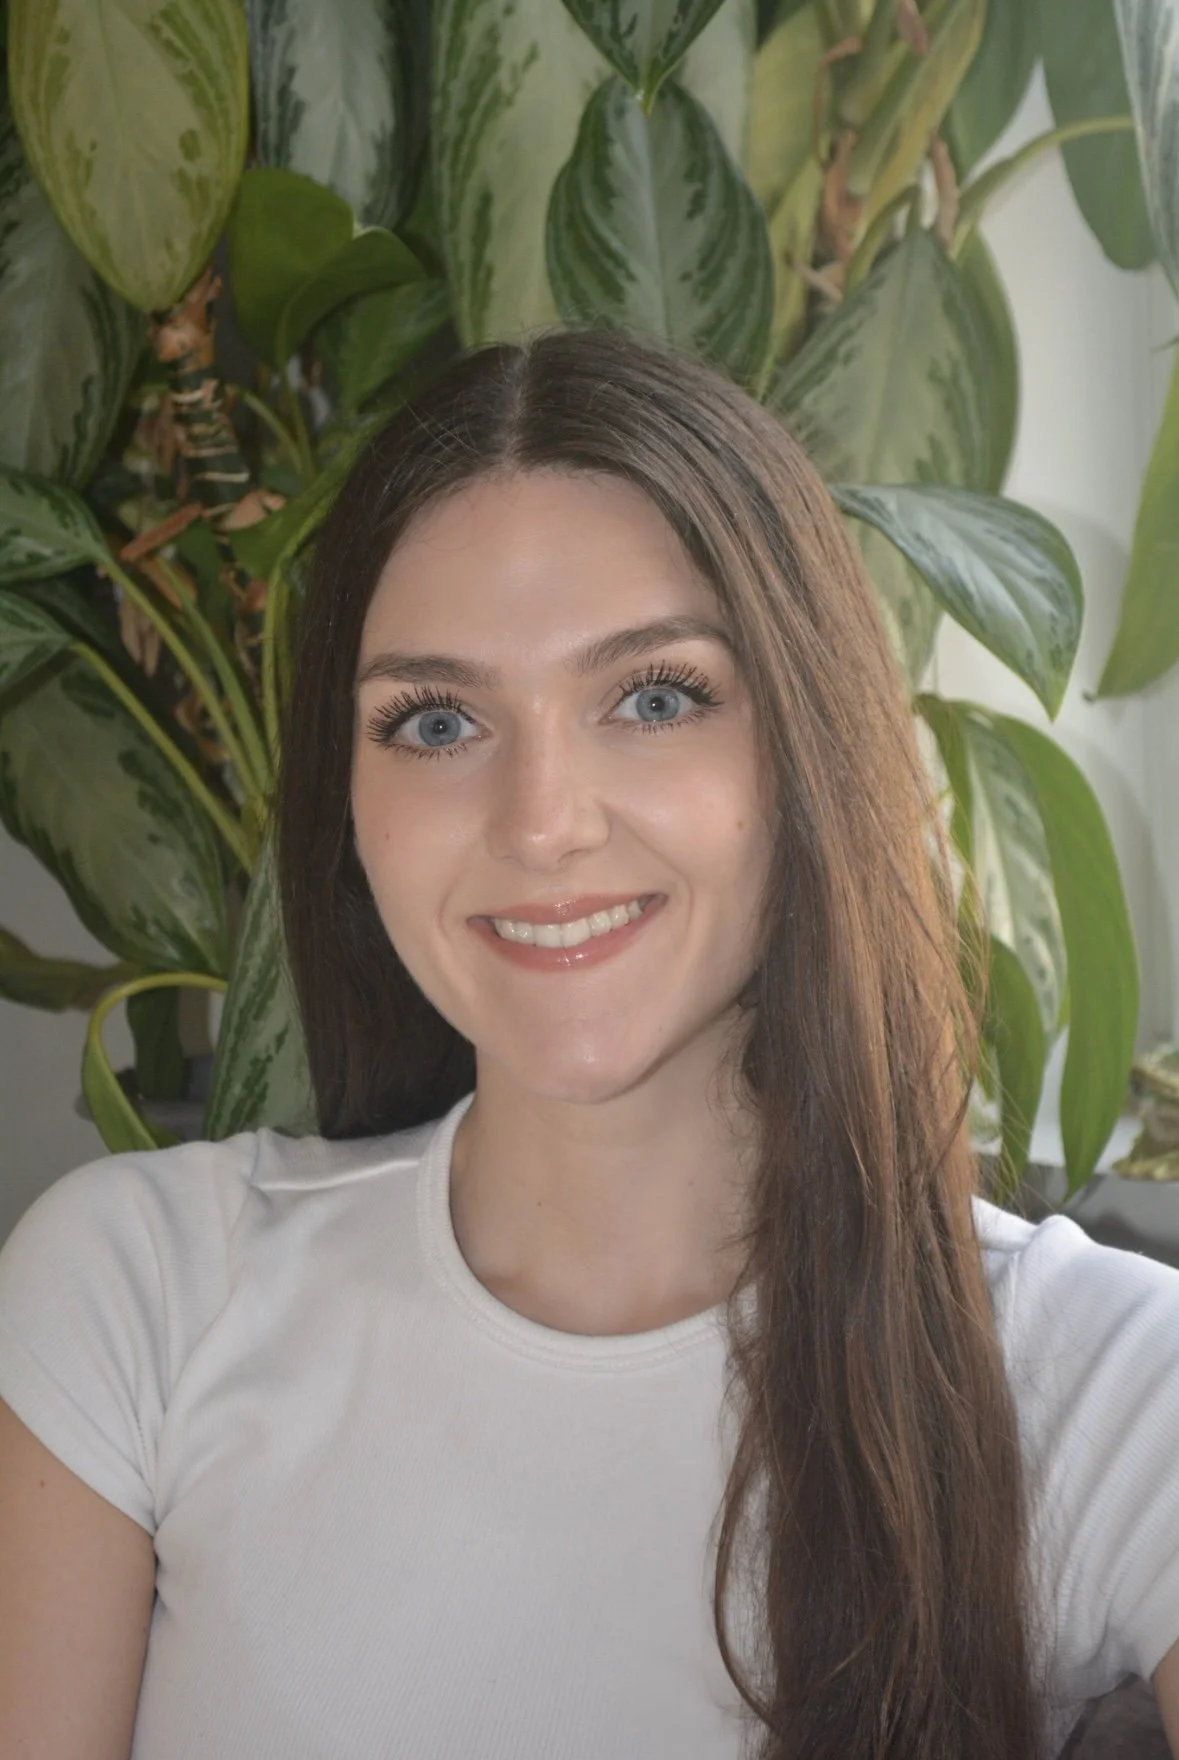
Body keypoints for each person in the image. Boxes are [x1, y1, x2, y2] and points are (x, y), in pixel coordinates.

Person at [0, 328, 1177, 1760]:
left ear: (805, 746)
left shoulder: (1107, 1382)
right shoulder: (135, 1295)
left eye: (654, 698)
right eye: (435, 720)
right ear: (350, 808)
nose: (541, 818)